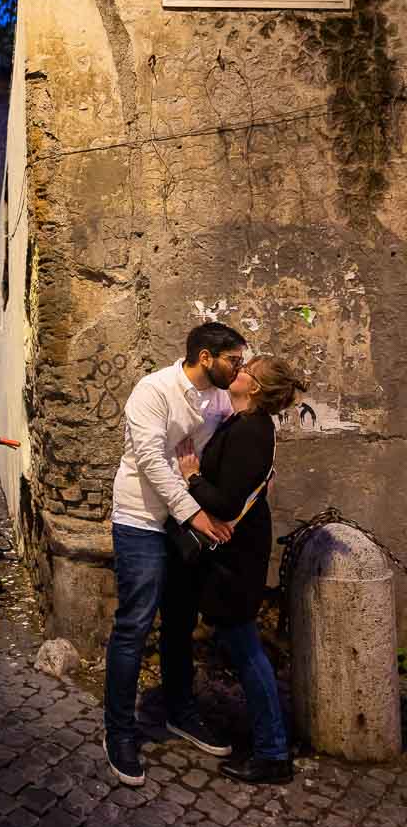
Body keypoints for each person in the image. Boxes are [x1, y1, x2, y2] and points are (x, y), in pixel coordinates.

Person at [104, 322, 247, 787]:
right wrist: (194, 514)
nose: (238, 368)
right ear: (205, 357)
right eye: (233, 360)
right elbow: (150, 459)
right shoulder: (153, 390)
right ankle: (119, 731)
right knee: (135, 624)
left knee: (181, 622)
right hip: (141, 519)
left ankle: (179, 712)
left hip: (180, 525)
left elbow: (235, 430)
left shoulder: (220, 399)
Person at [175, 354, 308, 784]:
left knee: (246, 648)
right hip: (235, 551)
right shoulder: (246, 423)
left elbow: (227, 501)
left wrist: (193, 477)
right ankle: (270, 745)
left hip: (236, 555)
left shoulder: (251, 430)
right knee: (241, 643)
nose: (238, 371)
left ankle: (272, 753)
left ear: (253, 387)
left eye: (246, 369)